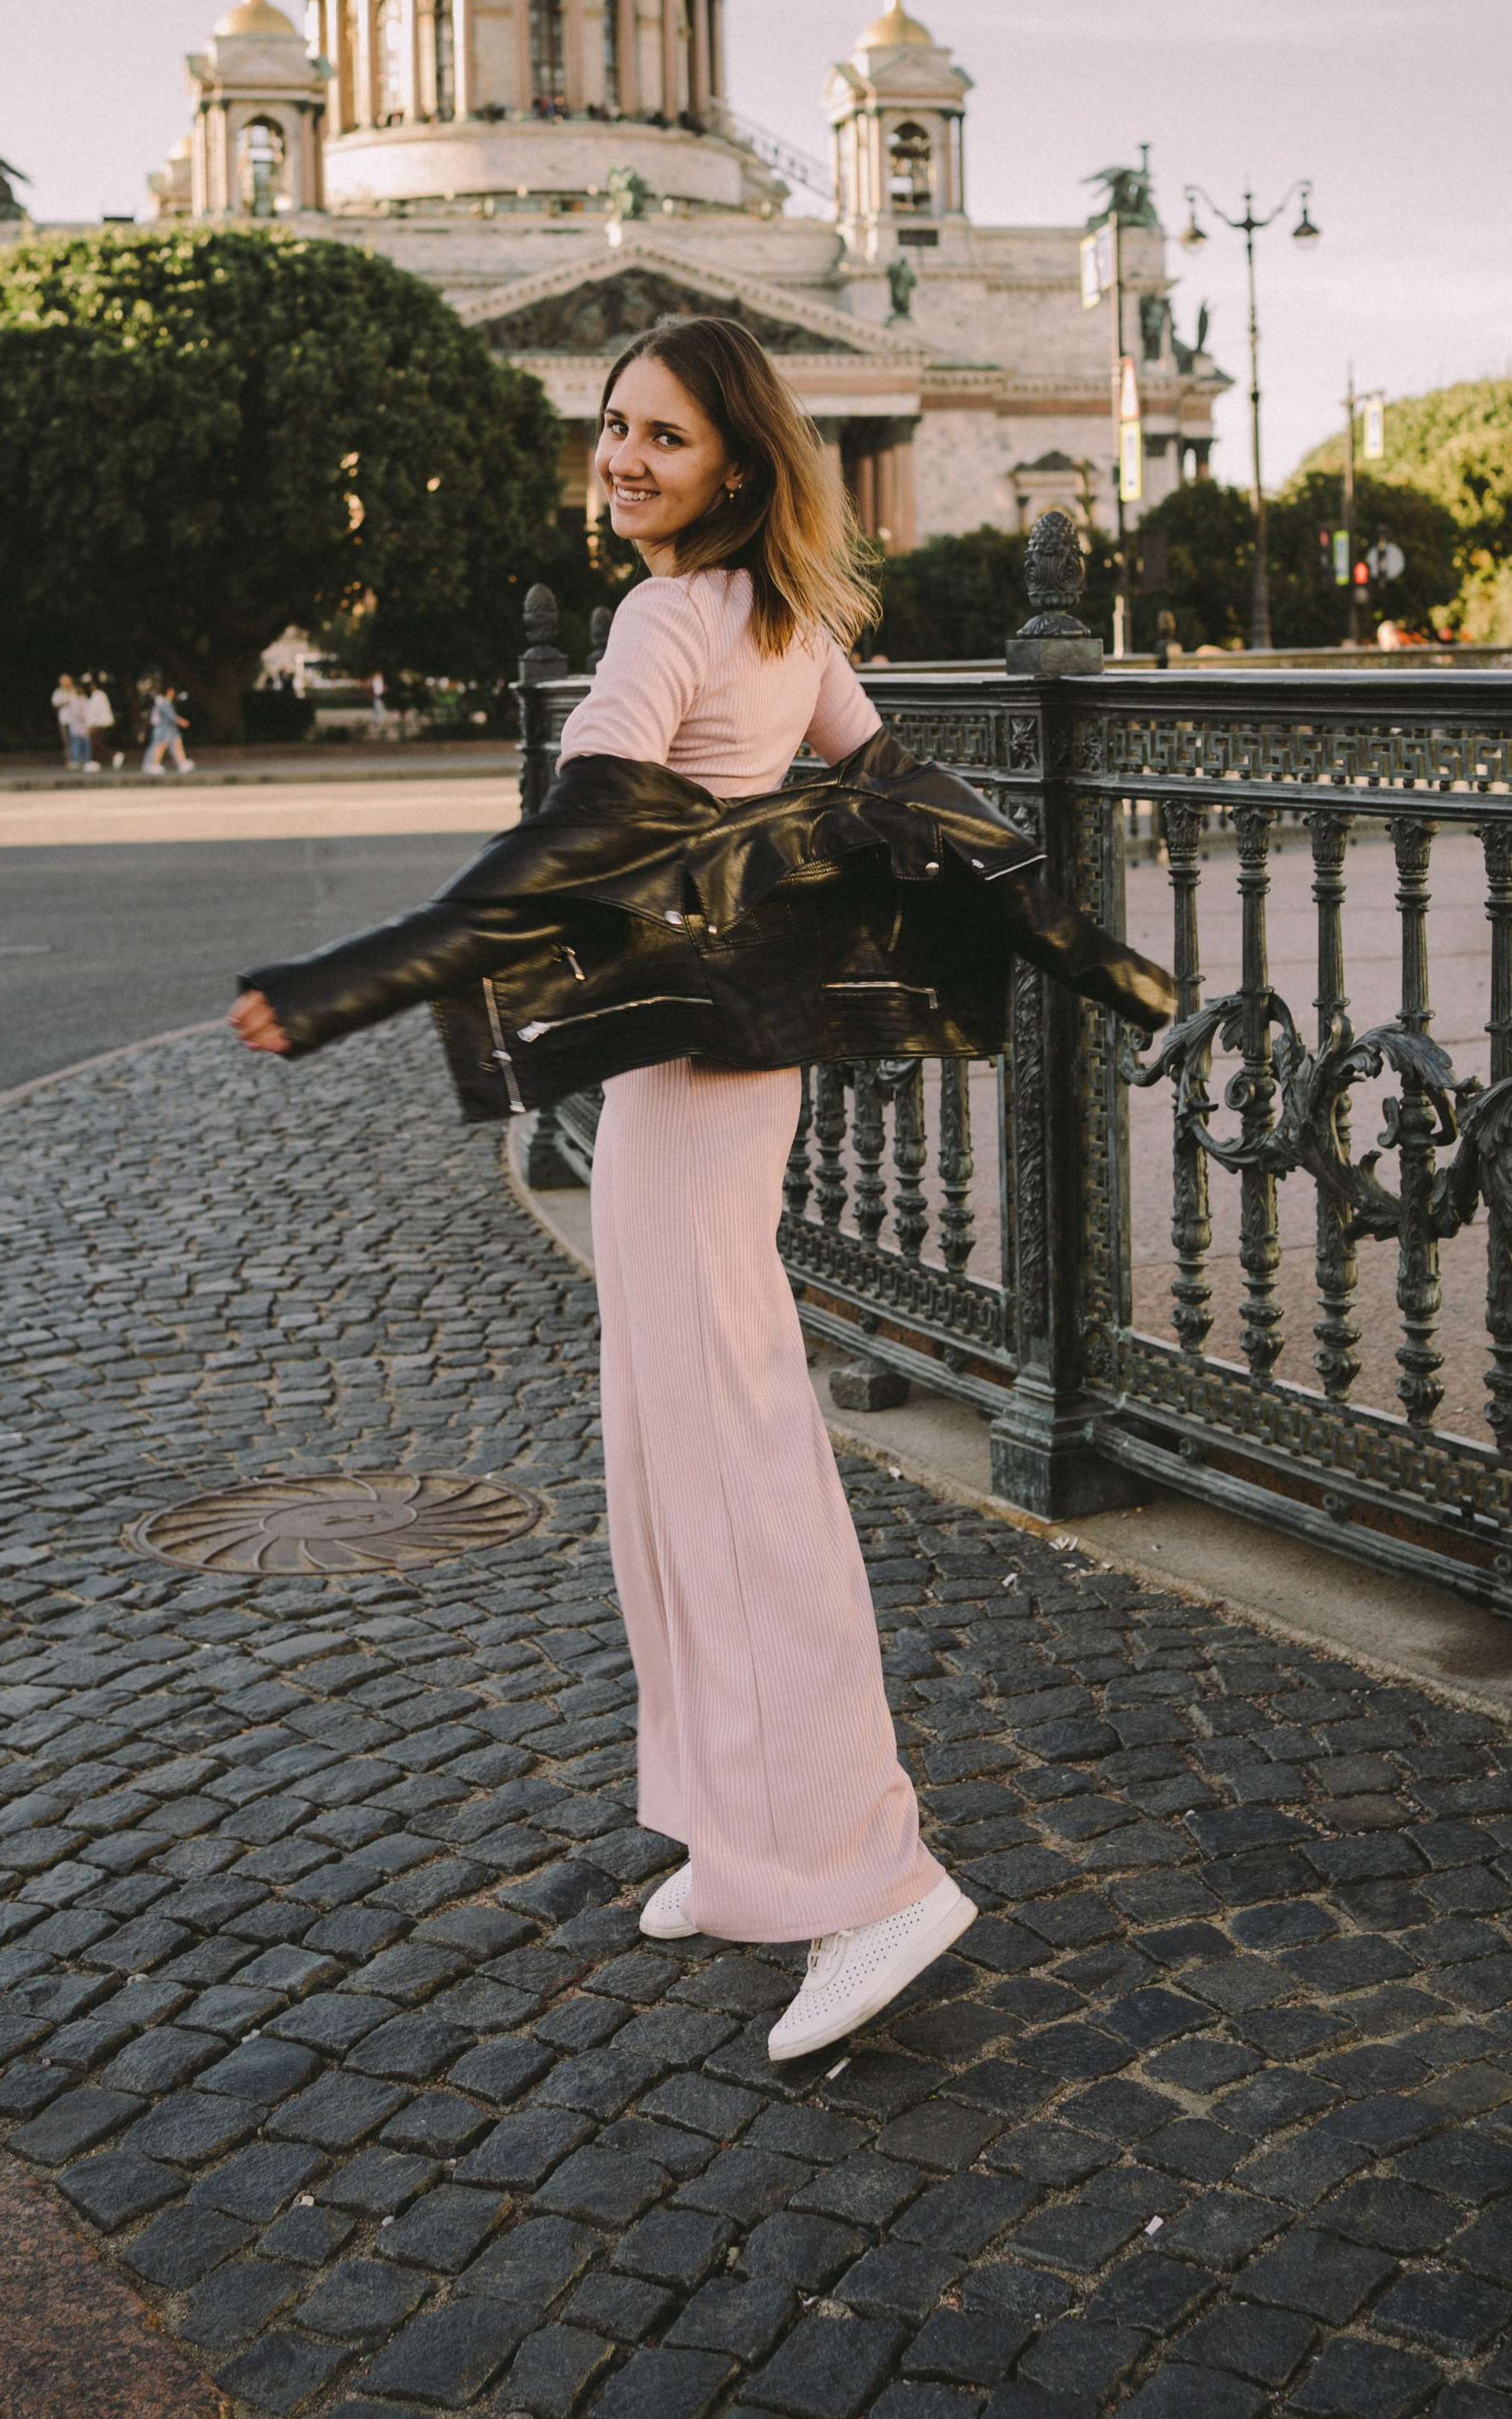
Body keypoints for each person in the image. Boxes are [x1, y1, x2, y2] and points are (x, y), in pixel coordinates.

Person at [229, 315, 1169, 2063]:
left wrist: (355, 977)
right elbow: (904, 793)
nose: (622, 459)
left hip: (687, 1073)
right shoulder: (776, 616)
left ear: (735, 462)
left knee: (730, 1465)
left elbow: (572, 843)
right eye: (611, 429)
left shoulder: (668, 618)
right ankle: (733, 1842)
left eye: (661, 436)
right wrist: (1078, 948)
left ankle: (861, 1878)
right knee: (665, 1439)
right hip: (716, 1064)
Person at [143, 684, 193, 776]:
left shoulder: (162, 701)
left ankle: (182, 763)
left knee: (177, 744)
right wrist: (182, 722)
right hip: (164, 728)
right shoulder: (164, 702)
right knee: (161, 746)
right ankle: (155, 764)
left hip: (170, 728)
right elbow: (171, 716)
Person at [82, 675, 118, 770]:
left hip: (99, 723)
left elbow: (94, 712)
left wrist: (89, 724)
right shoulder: (99, 695)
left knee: (96, 742)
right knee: (95, 743)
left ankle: (113, 755)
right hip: (99, 723)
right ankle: (95, 761)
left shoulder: (98, 695)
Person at [50, 673, 77, 763]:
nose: (67, 683)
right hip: (64, 720)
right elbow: (55, 706)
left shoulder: (75, 691)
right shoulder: (58, 693)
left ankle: (78, 759)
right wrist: (63, 703)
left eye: (68, 681)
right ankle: (69, 760)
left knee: (77, 740)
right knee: (67, 741)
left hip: (76, 720)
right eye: (64, 681)